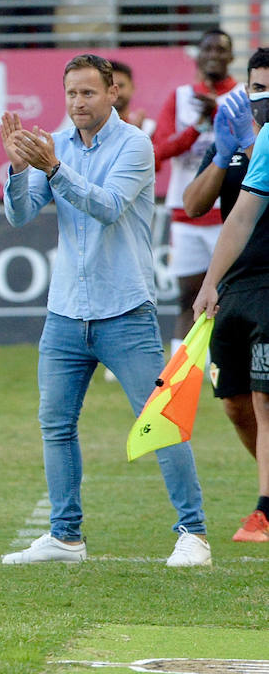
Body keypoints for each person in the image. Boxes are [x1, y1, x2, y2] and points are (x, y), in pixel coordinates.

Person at [0, 53, 210, 567]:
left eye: (88, 92)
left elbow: (108, 205)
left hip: (125, 310)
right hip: (66, 311)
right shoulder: (55, 143)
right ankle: (65, 537)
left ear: (112, 93)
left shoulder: (135, 145)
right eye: (71, 93)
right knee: (55, 423)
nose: (78, 103)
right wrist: (18, 167)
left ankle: (194, 533)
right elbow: (21, 215)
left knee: (159, 419)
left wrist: (52, 166)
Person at [185, 49, 269, 543]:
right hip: (235, 285)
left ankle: (264, 508)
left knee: (264, 397)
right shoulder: (240, 141)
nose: (263, 98)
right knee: (236, 403)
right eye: (256, 88)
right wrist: (222, 154)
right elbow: (205, 207)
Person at [152, 29, 241, 351]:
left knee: (233, 294)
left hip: (233, 211)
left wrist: (218, 115)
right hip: (186, 211)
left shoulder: (245, 94)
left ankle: (229, 360)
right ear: (199, 56)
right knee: (188, 295)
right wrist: (198, 126)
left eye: (222, 49)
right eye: (208, 49)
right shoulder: (180, 97)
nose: (214, 55)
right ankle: (183, 368)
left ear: (231, 57)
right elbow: (158, 150)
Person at [110, 59, 152, 134]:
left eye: (121, 86)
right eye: (110, 87)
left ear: (132, 87)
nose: (117, 93)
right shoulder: (90, 129)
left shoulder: (148, 127)